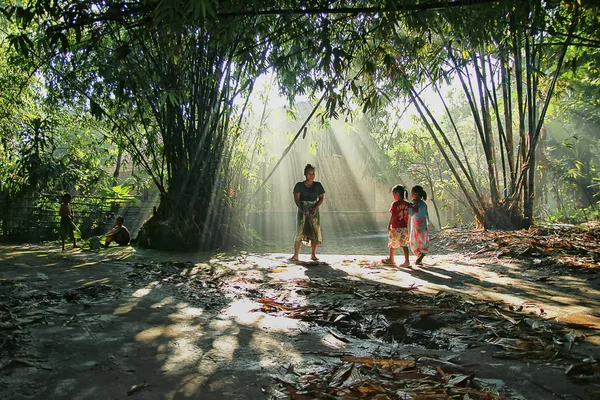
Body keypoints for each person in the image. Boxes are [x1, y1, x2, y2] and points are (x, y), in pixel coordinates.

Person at [289, 164, 325, 262]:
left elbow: (321, 198)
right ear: (305, 174)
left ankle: (313, 254)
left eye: (313, 173)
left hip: (314, 210)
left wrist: (315, 207)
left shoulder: (318, 185)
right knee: (300, 231)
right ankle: (296, 255)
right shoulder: (299, 185)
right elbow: (297, 199)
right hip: (302, 209)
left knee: (315, 231)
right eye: (309, 173)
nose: (311, 175)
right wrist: (302, 209)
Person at [382, 185, 411, 267]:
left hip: (395, 227)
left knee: (392, 243)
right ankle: (407, 261)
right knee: (404, 244)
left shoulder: (395, 204)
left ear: (397, 194)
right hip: (404, 227)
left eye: (393, 194)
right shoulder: (407, 204)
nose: (393, 196)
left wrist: (389, 225)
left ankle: (391, 259)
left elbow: (393, 215)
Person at [408, 185, 430, 265]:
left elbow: (411, 213)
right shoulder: (424, 204)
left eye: (412, 193)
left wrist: (409, 207)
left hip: (416, 224)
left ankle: (419, 255)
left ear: (416, 194)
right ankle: (421, 254)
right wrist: (428, 224)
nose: (411, 195)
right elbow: (426, 215)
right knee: (422, 239)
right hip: (423, 224)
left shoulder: (414, 203)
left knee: (415, 239)